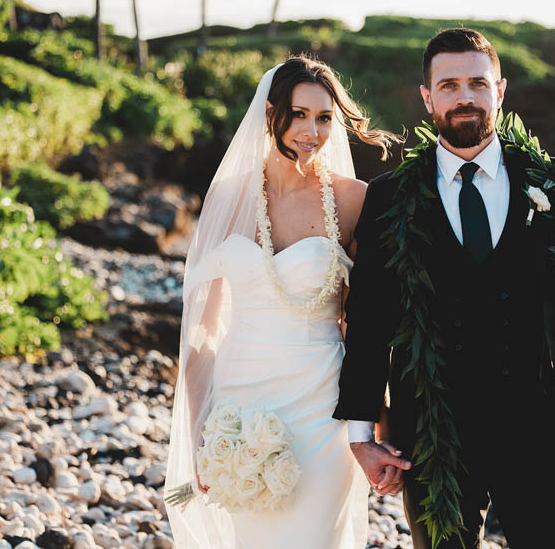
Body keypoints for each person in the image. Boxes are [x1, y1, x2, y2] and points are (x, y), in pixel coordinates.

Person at [334, 29, 555, 549]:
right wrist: (362, 438)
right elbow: (370, 319)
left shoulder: (551, 182)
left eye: (476, 83)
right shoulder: (389, 197)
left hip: (534, 429)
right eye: (448, 85)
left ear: (500, 91)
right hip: (432, 436)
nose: (464, 97)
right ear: (427, 97)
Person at [164, 55, 405, 548]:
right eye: (299, 115)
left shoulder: (353, 199)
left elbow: (369, 323)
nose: (311, 131)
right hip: (240, 400)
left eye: (323, 118)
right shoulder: (228, 198)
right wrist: (199, 434)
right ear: (271, 112)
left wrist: (379, 423)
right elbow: (203, 333)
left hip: (322, 405)